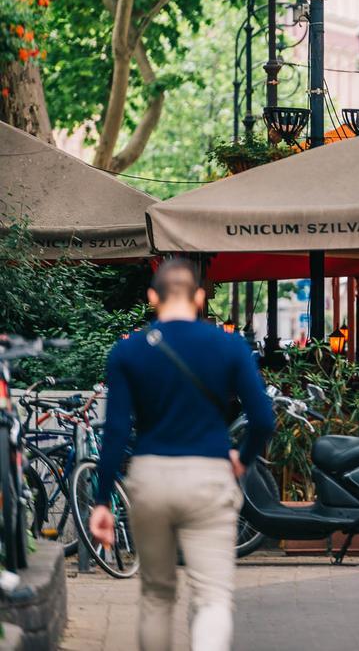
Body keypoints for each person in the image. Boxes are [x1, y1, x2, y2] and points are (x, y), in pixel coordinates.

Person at [90, 258, 275, 651]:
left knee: (157, 595)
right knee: (212, 596)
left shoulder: (128, 352)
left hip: (150, 477)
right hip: (209, 475)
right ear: (200, 297)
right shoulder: (229, 346)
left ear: (153, 297)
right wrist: (243, 456)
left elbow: (116, 430)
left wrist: (102, 500)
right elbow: (262, 418)